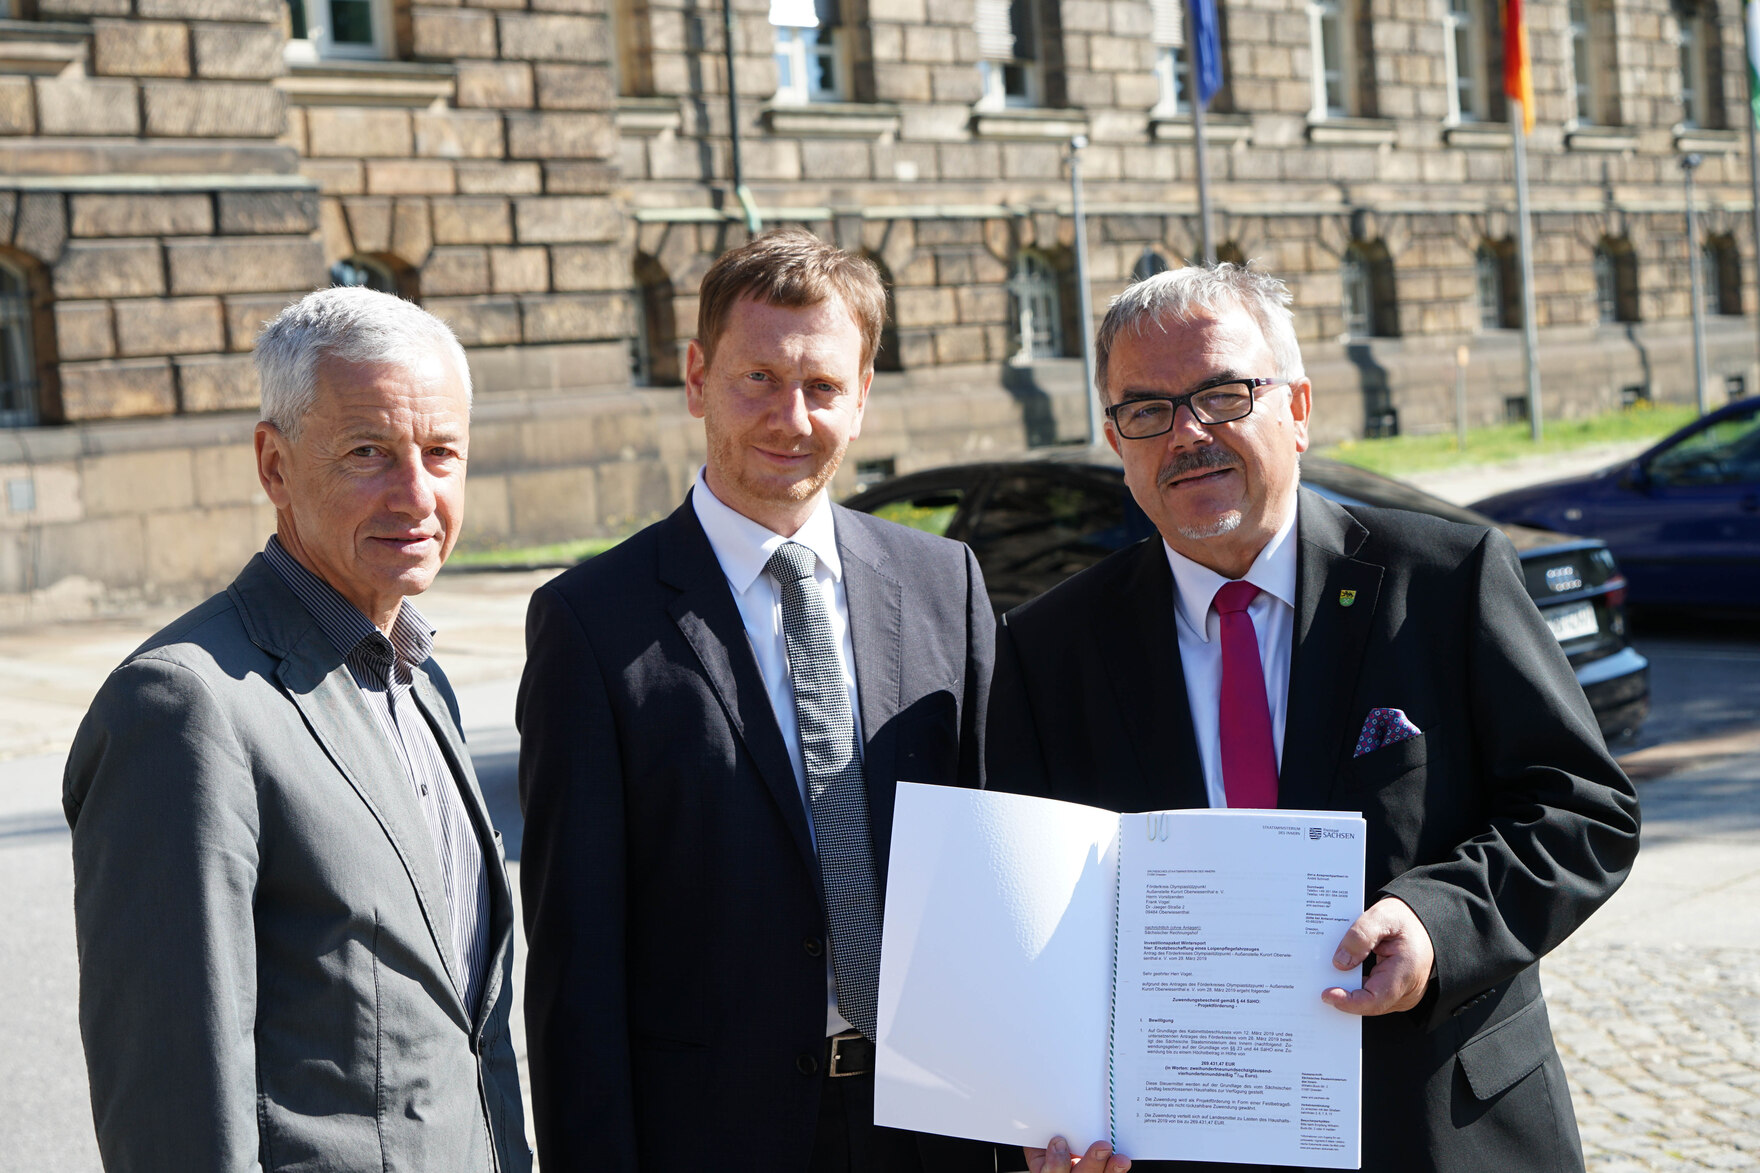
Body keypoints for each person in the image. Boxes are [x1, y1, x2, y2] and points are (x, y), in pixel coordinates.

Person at [987, 264, 1640, 1173]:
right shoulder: (1047, 647)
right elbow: (1028, 910)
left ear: (1296, 406)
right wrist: (1043, 1104)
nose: (1188, 433)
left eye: (1222, 393)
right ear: (1116, 441)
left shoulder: (1445, 581)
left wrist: (1436, 922)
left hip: (1440, 1129)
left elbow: (1583, 809)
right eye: (1149, 410)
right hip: (1182, 1144)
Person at [518, 229, 997, 1172]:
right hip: (710, 1133)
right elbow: (576, 964)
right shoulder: (591, 620)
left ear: (862, 396)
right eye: (758, 380)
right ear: (697, 378)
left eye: (823, 386)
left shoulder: (947, 584)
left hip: (933, 1123)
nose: (792, 417)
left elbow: (1001, 860)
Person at [64, 287, 530, 1173]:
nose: (417, 494)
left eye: (441, 453)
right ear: (274, 465)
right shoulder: (185, 707)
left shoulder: (421, 680)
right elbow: (174, 1105)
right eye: (369, 453)